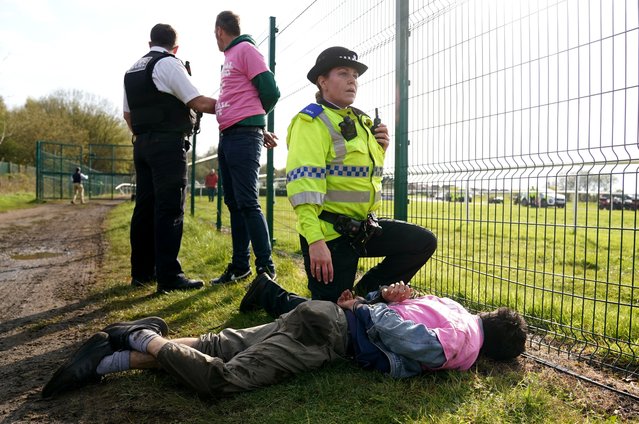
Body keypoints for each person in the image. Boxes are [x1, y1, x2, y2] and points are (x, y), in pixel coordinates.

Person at [41, 278, 527, 399]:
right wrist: (370, 310)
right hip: (330, 336)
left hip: (321, 314)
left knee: (223, 342)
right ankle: (143, 338)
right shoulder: (464, 342)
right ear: (493, 352)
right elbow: (416, 343)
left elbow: (402, 307)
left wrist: (369, 301)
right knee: (224, 381)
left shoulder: (454, 307)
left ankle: (109, 359)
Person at [285, 46, 438, 305]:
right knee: (329, 319)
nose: (352, 80)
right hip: (329, 235)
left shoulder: (362, 121)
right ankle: (268, 293)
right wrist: (315, 241)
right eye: (343, 73)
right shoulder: (311, 122)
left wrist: (382, 150)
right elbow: (304, 187)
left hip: (362, 229)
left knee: (421, 242)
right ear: (323, 81)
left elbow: (366, 176)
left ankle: (360, 296)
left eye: (355, 75)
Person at [124, 23, 217, 293]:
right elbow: (197, 101)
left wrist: (145, 137)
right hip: (167, 144)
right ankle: (169, 276)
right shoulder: (169, 64)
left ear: (149, 42)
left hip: (141, 144)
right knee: (170, 209)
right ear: (175, 47)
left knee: (144, 209)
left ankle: (141, 273)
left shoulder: (132, 70)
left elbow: (127, 115)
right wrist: (234, 107)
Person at [209, 11, 280, 286]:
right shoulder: (229, 58)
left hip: (242, 136)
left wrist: (254, 122)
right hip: (228, 136)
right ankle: (240, 267)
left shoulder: (246, 49)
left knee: (248, 202)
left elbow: (270, 90)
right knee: (234, 203)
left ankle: (266, 268)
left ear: (219, 31)